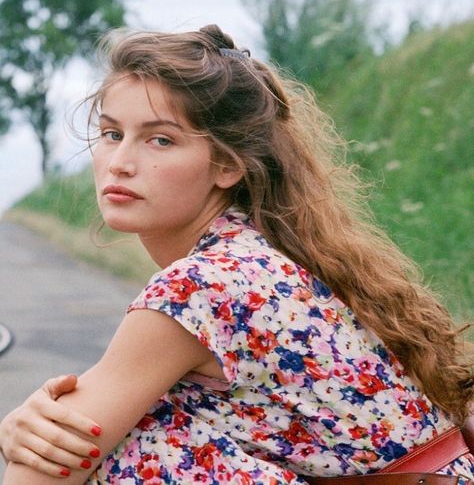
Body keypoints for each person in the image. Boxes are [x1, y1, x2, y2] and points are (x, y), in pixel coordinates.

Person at [0, 24, 473, 485]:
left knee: (132, 438)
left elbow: (49, 461)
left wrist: (34, 429)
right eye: (110, 133)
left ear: (227, 165)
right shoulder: (271, 254)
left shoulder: (202, 284)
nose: (120, 162)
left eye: (160, 139)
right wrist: (33, 423)